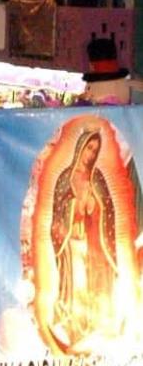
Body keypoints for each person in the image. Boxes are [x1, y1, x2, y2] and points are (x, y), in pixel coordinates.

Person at [49, 125, 123, 352]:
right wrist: (73, 206)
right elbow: (58, 212)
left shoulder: (97, 178)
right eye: (88, 148)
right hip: (71, 245)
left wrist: (96, 205)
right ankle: (73, 331)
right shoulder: (64, 178)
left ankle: (92, 331)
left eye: (95, 150)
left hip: (92, 244)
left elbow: (107, 211)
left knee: (92, 285)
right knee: (75, 288)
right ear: (80, 147)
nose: (91, 154)